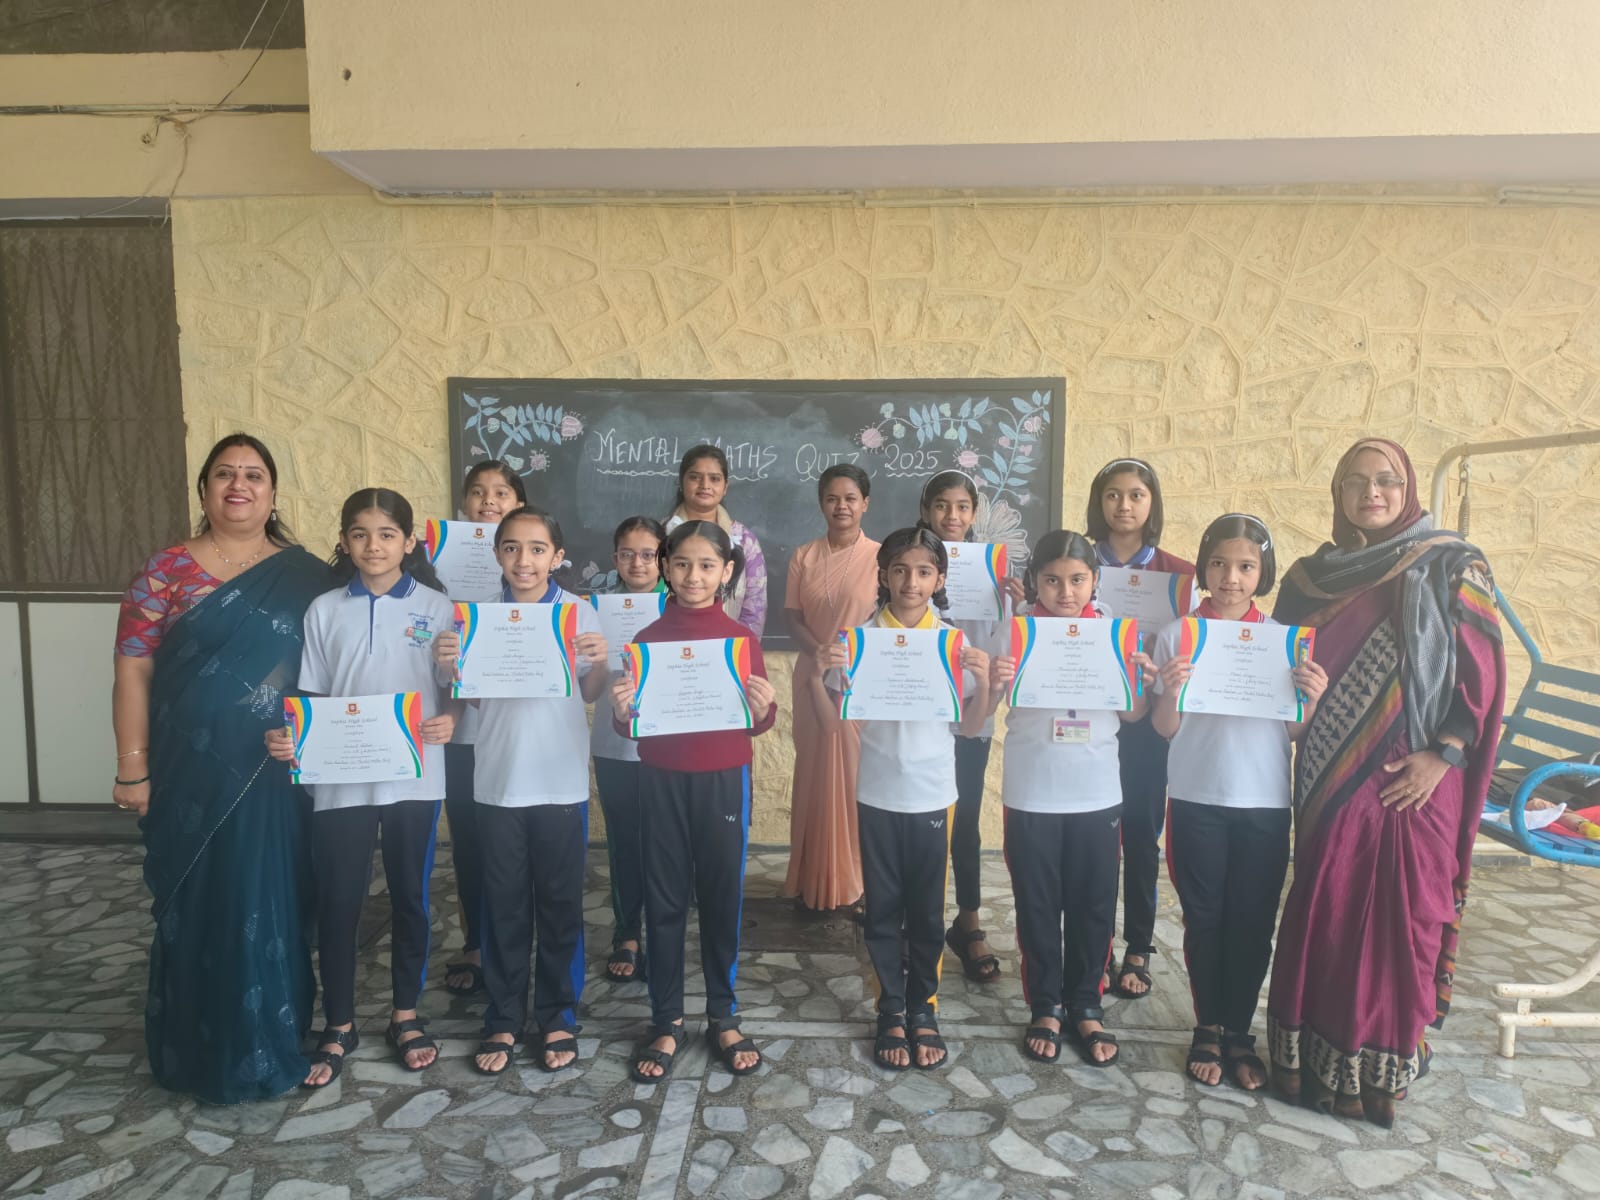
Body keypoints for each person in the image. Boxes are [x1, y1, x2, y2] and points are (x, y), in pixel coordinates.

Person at [1266, 438, 1505, 1127]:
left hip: (1417, 775)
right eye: (1355, 481)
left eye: (1387, 480)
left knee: (1405, 917)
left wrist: (1442, 756)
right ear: (1337, 493)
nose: (1371, 493)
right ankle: (1315, 1063)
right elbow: (1271, 662)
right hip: (1329, 772)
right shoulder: (1312, 578)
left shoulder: (1453, 564)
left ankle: (1384, 1065)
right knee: (1329, 902)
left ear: (1408, 490)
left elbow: (1481, 677)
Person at [114, 433, 330, 1104]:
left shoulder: (307, 576)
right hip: (188, 774)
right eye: (225, 474)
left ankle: (270, 1040)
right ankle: (197, 1049)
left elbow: (339, 665)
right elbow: (133, 669)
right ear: (204, 489)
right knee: (200, 901)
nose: (239, 485)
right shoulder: (166, 570)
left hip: (275, 772)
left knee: (268, 898)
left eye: (254, 475)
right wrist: (132, 768)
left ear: (273, 494)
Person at [265, 488, 457, 1088]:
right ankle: (340, 1023)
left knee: (410, 898)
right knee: (339, 900)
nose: (373, 545)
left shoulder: (439, 607)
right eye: (359, 533)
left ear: (409, 541)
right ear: (345, 541)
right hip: (339, 777)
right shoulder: (324, 609)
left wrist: (451, 717)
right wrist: (293, 737)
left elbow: (455, 686)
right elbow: (313, 695)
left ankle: (406, 1015)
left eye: (387, 534)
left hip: (415, 775)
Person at [1151, 515, 1327, 1090]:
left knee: (1252, 923)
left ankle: (1239, 1035)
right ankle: (1207, 1026)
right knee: (1204, 918)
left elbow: (1291, 733)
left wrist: (1310, 698)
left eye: (1246, 566)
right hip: (1195, 795)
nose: (1231, 577)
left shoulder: (1284, 641)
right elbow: (1165, 728)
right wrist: (1172, 689)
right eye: (1220, 564)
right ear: (1204, 567)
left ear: (1262, 573)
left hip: (1264, 801)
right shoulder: (1178, 635)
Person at [433, 506, 609, 1075]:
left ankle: (558, 1014)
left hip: (559, 782)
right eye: (511, 548)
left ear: (557, 557)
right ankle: (504, 1016)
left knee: (560, 905)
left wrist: (599, 662)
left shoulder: (578, 612)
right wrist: (451, 665)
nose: (523, 560)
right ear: (497, 554)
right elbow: (474, 697)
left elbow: (590, 692)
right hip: (498, 783)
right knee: (503, 906)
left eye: (537, 549)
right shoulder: (476, 617)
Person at [608, 520, 778, 1082]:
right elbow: (633, 726)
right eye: (681, 563)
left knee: (722, 896)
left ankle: (723, 1015)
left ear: (727, 571)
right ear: (665, 567)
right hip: (660, 780)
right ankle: (666, 1018)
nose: (693, 576)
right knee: (664, 899)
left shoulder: (741, 641)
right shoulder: (646, 640)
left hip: (724, 781)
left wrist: (763, 708)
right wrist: (623, 712)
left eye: (707, 565)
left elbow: (757, 723)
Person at [818, 527, 991, 1072]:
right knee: (883, 909)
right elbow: (836, 717)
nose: (910, 582)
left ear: (939, 579)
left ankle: (924, 1007)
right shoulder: (859, 639)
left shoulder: (954, 643)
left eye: (923, 572)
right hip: (877, 792)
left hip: (933, 793)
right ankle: (890, 1007)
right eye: (899, 570)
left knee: (927, 911)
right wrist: (825, 672)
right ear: (883, 575)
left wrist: (987, 684)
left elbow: (970, 728)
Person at [988, 531, 1155, 1067]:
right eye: (1053, 580)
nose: (1066, 592)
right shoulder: (1013, 631)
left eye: (1078, 580)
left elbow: (1132, 714)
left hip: (1096, 790)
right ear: (1035, 581)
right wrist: (994, 682)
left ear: (1095, 580)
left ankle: (1085, 1003)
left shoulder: (1115, 632)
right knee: (1037, 905)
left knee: (1094, 904)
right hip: (1033, 790)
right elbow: (988, 705)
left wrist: (1139, 680)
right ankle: (1045, 1005)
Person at [1086, 457, 1194, 1001]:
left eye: (1136, 495)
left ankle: (1138, 946)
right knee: (1098, 836)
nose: (1124, 505)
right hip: (1091, 716)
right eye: (1113, 494)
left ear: (1152, 504)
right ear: (1098, 501)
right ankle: (1097, 943)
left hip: (1152, 719)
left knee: (1141, 835)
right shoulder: (1079, 563)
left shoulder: (1180, 574)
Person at [919, 471, 1024, 984]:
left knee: (964, 820)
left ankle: (968, 921)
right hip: (918, 712)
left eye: (962, 507)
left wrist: (1015, 604)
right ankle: (915, 920)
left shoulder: (993, 573)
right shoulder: (910, 562)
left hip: (971, 713)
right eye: (942, 505)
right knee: (918, 820)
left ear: (974, 513)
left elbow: (1004, 644)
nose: (952, 516)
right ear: (926, 510)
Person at [442, 460, 527, 1000]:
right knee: (471, 842)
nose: (488, 502)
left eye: (501, 493)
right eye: (477, 492)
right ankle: (477, 941)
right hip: (461, 730)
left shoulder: (536, 571)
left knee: (519, 846)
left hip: (517, 733)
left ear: (520, 505)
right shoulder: (436, 568)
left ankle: (519, 942)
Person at [782, 464, 882, 914]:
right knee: (814, 775)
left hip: (861, 682)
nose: (842, 506)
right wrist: (820, 654)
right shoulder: (803, 556)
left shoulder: (882, 558)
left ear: (865, 503)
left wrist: (849, 660)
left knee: (857, 777)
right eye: (832, 498)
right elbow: (791, 617)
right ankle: (810, 879)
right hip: (812, 678)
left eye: (850, 498)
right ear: (821, 503)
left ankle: (858, 881)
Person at [590, 516, 669, 983]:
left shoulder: (680, 605)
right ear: (615, 558)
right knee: (623, 843)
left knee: (665, 844)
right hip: (613, 741)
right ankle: (627, 933)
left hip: (667, 745)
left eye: (647, 554)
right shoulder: (593, 610)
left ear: (663, 558)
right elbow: (584, 677)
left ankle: (662, 933)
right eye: (626, 554)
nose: (637, 563)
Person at [665, 444, 767, 636]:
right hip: (668, 645)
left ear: (725, 487)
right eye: (695, 477)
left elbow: (755, 607)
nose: (705, 485)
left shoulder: (744, 541)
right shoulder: (659, 535)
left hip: (729, 647)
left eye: (714, 479)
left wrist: (734, 648)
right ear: (681, 482)